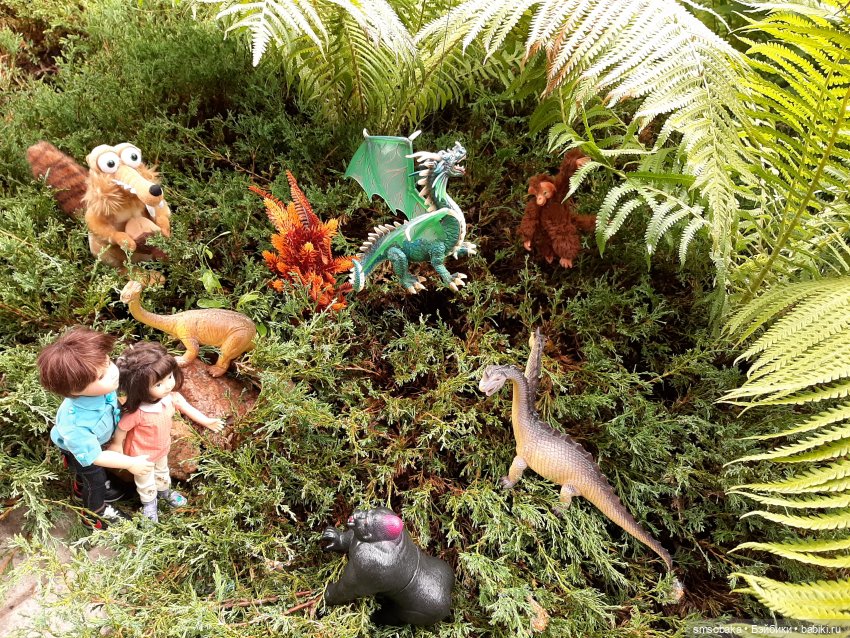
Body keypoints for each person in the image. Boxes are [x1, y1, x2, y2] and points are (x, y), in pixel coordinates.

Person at [37, 327, 154, 528]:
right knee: (95, 479)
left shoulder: (104, 389)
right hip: (80, 450)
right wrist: (129, 463)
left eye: (108, 362)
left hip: (98, 441)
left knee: (94, 475)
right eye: (100, 376)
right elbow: (94, 457)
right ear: (74, 390)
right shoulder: (75, 424)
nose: (112, 373)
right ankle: (95, 512)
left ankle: (80, 486)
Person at [112, 342, 224, 521]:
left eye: (170, 377)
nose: (167, 386)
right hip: (141, 455)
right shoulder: (138, 412)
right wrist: (117, 445)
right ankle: (149, 504)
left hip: (162, 448)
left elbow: (188, 409)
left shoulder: (171, 398)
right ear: (140, 388)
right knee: (145, 480)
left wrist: (206, 421)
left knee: (163, 472)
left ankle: (165, 492)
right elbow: (122, 428)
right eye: (158, 384)